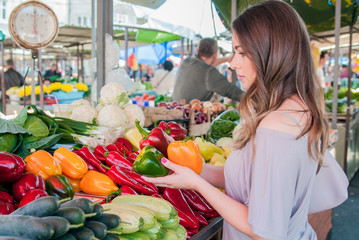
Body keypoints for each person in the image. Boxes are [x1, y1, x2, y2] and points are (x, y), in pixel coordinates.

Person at [143, 1, 348, 239]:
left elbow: (264, 232)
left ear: (271, 53)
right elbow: (248, 180)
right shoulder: (299, 109)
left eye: (241, 52)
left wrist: (198, 185)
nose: (232, 62)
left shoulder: (275, 129)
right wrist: (194, 168)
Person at [171, 38, 243, 103]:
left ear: (197, 50)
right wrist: (250, 99)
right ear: (215, 54)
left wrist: (226, 59)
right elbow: (231, 91)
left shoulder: (186, 61)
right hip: (189, 115)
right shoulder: (209, 72)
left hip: (172, 110)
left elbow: (206, 64)